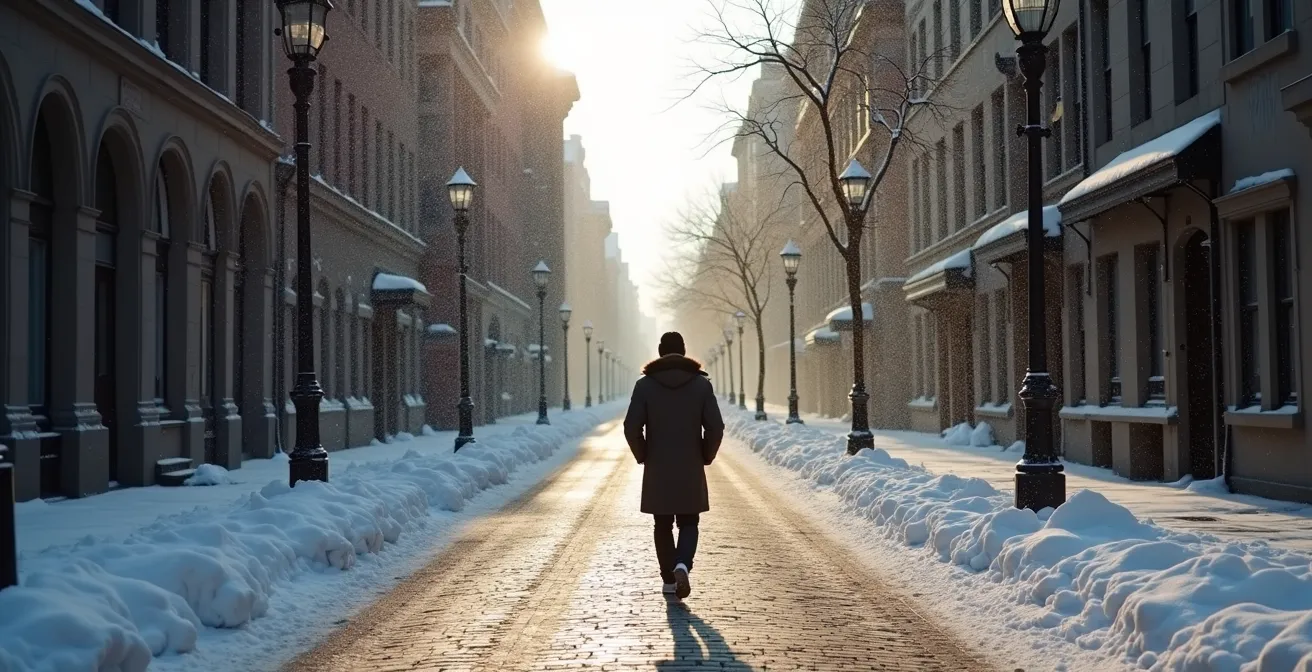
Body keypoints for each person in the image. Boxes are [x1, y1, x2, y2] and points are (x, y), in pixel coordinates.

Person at [623, 331, 724, 599]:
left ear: (659, 351)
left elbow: (631, 427)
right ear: (683, 350)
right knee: (689, 522)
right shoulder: (701, 385)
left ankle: (668, 578)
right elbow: (716, 427)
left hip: (658, 467)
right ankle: (683, 564)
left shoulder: (644, 386)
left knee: (663, 524)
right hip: (690, 466)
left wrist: (643, 454)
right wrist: (705, 454)